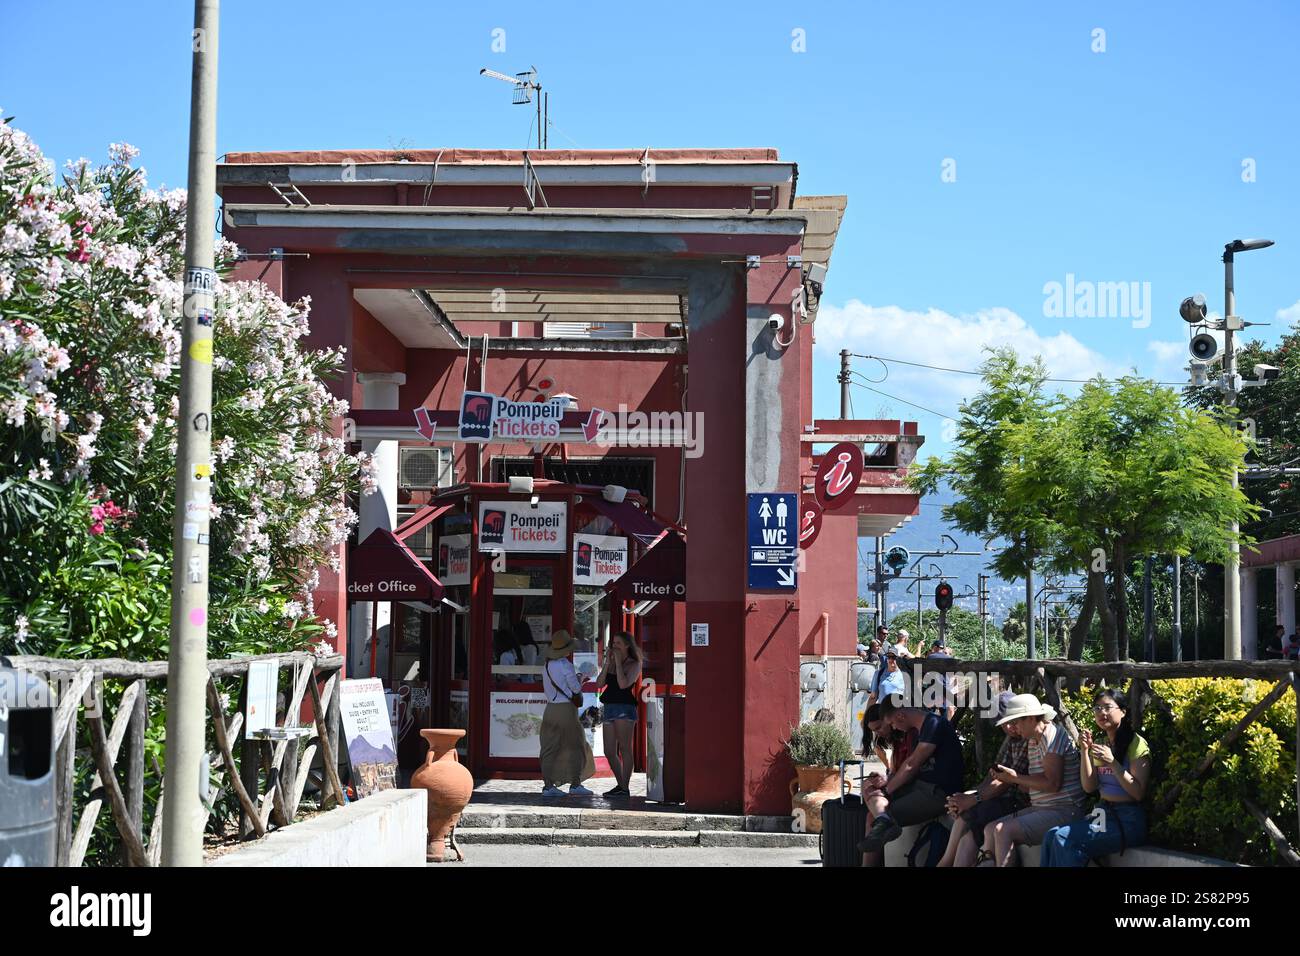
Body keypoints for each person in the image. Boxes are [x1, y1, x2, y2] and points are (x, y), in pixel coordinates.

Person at [1041, 689, 1152, 866]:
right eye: (1097, 708)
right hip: (1103, 815)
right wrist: (1085, 751)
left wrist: (1113, 762)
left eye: (1107, 707)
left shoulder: (1136, 743)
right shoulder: (1102, 744)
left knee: (1063, 838)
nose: (1102, 713)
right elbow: (1089, 787)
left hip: (1127, 820)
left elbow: (1138, 793)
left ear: (1123, 711)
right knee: (1051, 835)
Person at [980, 694, 1085, 866]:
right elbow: (1033, 787)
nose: (1013, 728)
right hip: (1041, 808)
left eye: (1016, 722)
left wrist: (1015, 778)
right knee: (990, 828)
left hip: (1065, 810)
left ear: (1030, 718)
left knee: (1003, 830)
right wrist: (1009, 779)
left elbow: (1052, 784)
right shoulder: (1032, 740)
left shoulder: (1053, 735)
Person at [858, 695, 965, 861]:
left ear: (900, 716)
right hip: (921, 786)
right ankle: (883, 822)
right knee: (873, 798)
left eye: (892, 723)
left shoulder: (934, 724)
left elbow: (911, 765)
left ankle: (885, 821)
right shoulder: (921, 728)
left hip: (937, 793)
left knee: (883, 814)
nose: (894, 727)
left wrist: (887, 790)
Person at [938, 692, 1030, 866]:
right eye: (1004, 724)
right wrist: (968, 796)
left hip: (1020, 802)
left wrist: (974, 798)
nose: (1010, 728)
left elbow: (1006, 781)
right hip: (1005, 800)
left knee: (971, 816)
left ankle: (945, 861)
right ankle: (947, 860)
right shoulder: (1011, 740)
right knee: (968, 832)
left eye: (1012, 721)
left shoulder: (1028, 738)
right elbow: (994, 775)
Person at [539, 630, 595, 797]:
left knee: (549, 748)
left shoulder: (547, 665)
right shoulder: (565, 665)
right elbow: (576, 689)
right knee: (576, 745)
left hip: (550, 709)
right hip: (566, 710)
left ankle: (548, 786)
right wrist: (581, 678)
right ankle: (575, 783)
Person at [598, 631, 643, 798]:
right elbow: (599, 683)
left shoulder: (634, 664)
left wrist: (617, 663)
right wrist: (606, 664)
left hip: (624, 708)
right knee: (609, 750)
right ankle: (621, 785)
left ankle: (625, 786)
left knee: (624, 748)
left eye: (618, 643)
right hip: (609, 705)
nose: (614, 646)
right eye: (613, 643)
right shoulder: (610, 662)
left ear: (626, 645)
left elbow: (623, 684)